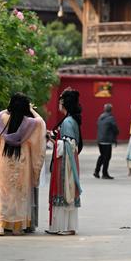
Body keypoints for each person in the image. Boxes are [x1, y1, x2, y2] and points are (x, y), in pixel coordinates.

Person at [0, 93, 46, 236]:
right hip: (22, 162)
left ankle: (0, 226)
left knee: (2, 192)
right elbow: (41, 122)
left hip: (4, 160)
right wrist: (31, 109)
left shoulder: (1, 117)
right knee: (20, 194)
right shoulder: (30, 123)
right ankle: (17, 227)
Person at [47, 88, 83, 235]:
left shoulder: (68, 121)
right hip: (69, 160)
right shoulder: (71, 120)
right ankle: (64, 226)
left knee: (64, 190)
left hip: (65, 163)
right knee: (67, 190)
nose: (59, 105)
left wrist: (54, 141)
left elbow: (68, 145)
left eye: (60, 102)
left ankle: (65, 227)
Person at [94, 103, 119, 179]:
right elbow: (115, 128)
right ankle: (104, 173)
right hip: (107, 140)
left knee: (102, 156)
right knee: (107, 157)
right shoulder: (111, 118)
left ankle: (96, 171)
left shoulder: (100, 117)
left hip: (100, 140)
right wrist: (116, 134)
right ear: (111, 110)